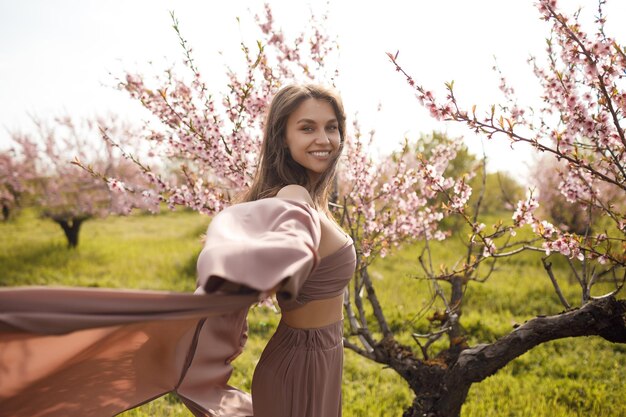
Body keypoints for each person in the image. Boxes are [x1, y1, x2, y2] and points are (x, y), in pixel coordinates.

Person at [0, 84, 356, 417]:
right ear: (283, 137)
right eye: (307, 128)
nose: (323, 139)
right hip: (301, 365)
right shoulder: (293, 197)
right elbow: (290, 234)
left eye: (331, 127)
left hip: (324, 357)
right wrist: (284, 260)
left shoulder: (315, 200)